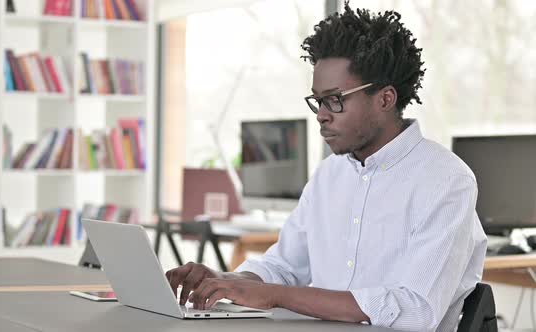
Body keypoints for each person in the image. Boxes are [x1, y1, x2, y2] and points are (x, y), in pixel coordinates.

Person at [166, 3, 487, 331]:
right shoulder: (329, 175)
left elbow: (414, 308)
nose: (321, 114)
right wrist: (224, 281)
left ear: (385, 99)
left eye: (335, 99)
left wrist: (276, 295)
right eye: (318, 100)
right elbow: (284, 267)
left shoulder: (446, 180)